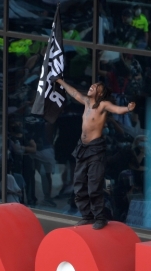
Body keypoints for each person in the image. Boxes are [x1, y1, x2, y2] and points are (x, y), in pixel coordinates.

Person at [53, 78, 136, 229]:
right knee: (78, 184)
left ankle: (100, 217)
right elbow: (73, 92)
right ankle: (87, 216)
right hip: (82, 147)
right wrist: (60, 81)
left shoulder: (103, 105)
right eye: (91, 85)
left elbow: (116, 109)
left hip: (95, 149)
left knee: (94, 185)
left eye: (95, 87)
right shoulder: (86, 102)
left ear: (101, 93)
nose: (91, 87)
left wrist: (128, 109)